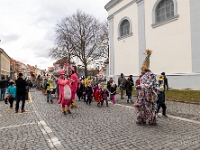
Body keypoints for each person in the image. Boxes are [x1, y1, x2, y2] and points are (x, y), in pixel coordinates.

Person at [133, 49, 158, 125]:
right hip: (142, 95)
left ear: (145, 68)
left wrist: (141, 86)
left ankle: (152, 120)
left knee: (150, 108)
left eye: (142, 69)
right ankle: (141, 119)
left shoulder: (151, 75)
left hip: (149, 96)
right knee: (141, 107)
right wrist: (138, 86)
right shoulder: (143, 76)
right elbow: (142, 83)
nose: (141, 70)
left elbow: (149, 85)